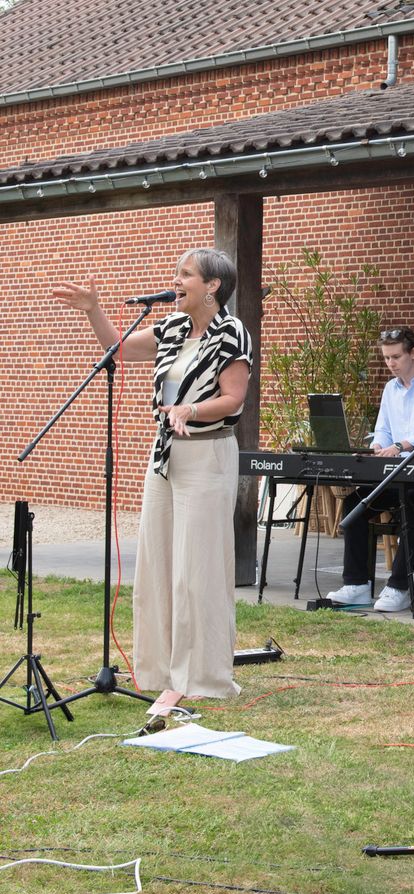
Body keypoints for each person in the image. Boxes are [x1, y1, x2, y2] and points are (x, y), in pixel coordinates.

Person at [52, 249, 252, 699]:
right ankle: (160, 673)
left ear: (213, 286)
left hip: (207, 455)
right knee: (158, 564)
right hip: (164, 456)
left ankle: (201, 677)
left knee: (197, 569)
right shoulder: (172, 327)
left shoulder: (231, 333)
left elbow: (233, 398)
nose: (176, 281)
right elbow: (119, 349)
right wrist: (94, 310)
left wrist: (190, 410)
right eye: (176, 274)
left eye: (186, 274)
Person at [326, 326, 414, 613]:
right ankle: (357, 585)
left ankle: (400, 587)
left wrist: (399, 445)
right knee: (355, 504)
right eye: (386, 358)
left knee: (412, 504)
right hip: (395, 472)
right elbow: (382, 429)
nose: (391, 363)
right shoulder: (389, 389)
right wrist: (377, 447)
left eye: (396, 357)